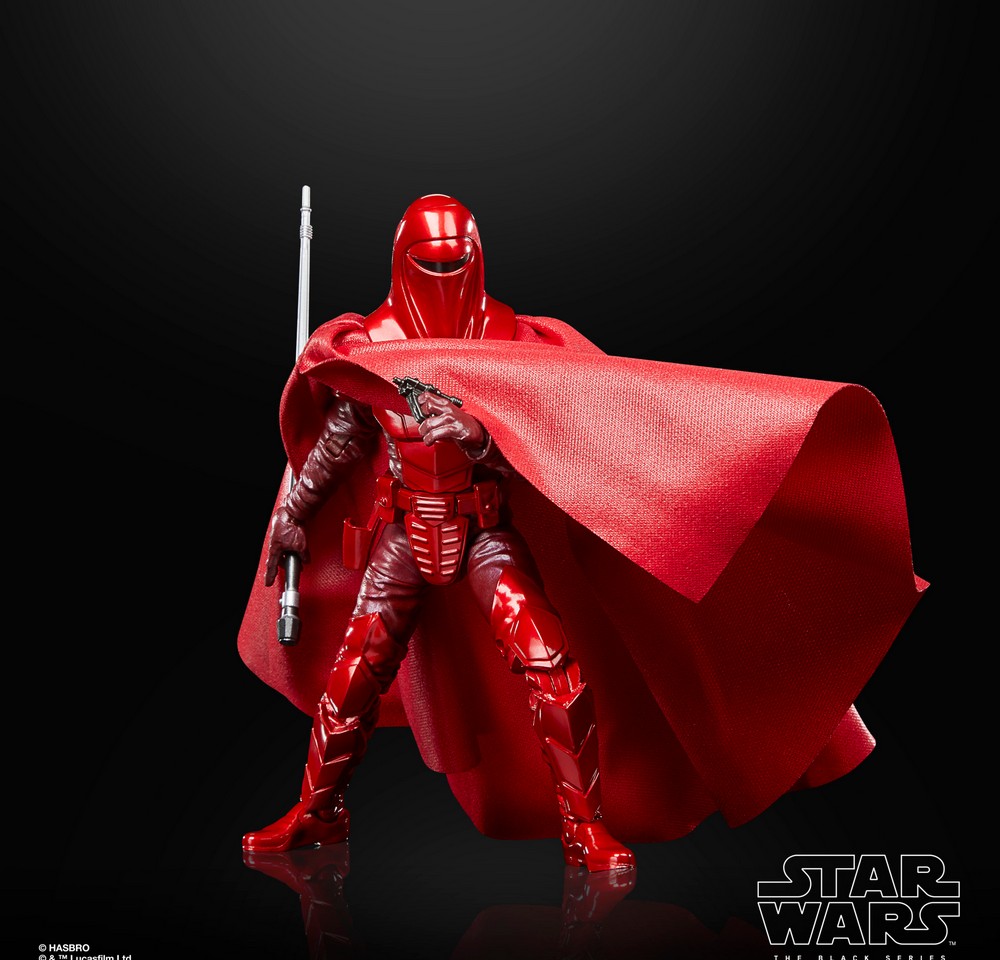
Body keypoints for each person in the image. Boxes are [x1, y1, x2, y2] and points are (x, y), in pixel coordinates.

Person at [238, 194, 925, 870]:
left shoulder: (516, 340)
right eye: (430, 264)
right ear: (401, 261)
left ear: (476, 260)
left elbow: (562, 434)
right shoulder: (371, 346)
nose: (443, 279)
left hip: (482, 526)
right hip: (403, 529)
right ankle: (319, 812)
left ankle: (585, 825)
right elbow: (339, 440)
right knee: (355, 675)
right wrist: (294, 514)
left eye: (455, 263)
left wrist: (483, 436)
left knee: (551, 666)